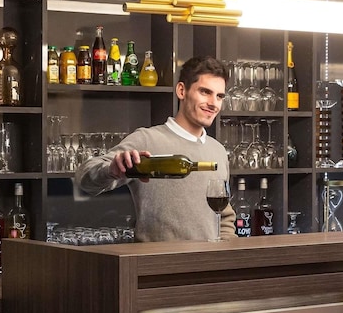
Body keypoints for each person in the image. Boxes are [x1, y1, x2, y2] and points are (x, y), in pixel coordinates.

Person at [75, 56, 235, 242]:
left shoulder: (218, 151)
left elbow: (224, 216)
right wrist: (111, 170)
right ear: (181, 91)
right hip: (155, 259)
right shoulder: (147, 139)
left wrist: (224, 250)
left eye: (219, 96)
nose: (213, 103)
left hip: (207, 260)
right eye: (205, 92)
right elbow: (84, 179)